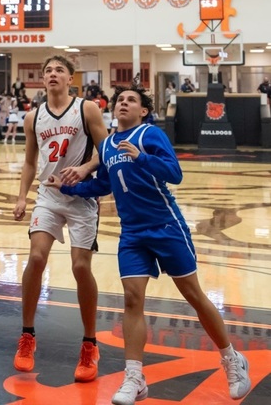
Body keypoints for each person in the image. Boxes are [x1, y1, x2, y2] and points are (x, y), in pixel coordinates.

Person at [48, 85, 251, 405]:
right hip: (132, 234)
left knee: (194, 295)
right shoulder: (109, 145)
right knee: (131, 299)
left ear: (143, 111)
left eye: (131, 100)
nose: (124, 103)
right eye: (119, 101)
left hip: (166, 227)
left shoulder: (150, 134)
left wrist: (142, 158)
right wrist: (69, 187)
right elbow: (103, 184)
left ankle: (232, 360)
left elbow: (175, 173)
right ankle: (135, 377)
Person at [12, 55, 108, 382]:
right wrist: (22, 196)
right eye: (48, 70)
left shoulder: (87, 109)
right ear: (43, 79)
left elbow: (104, 151)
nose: (53, 74)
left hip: (82, 199)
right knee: (36, 258)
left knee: (81, 267)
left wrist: (84, 169)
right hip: (48, 197)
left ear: (70, 78)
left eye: (59, 70)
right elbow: (29, 162)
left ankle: (90, 343)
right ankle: (26, 336)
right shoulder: (33, 116)